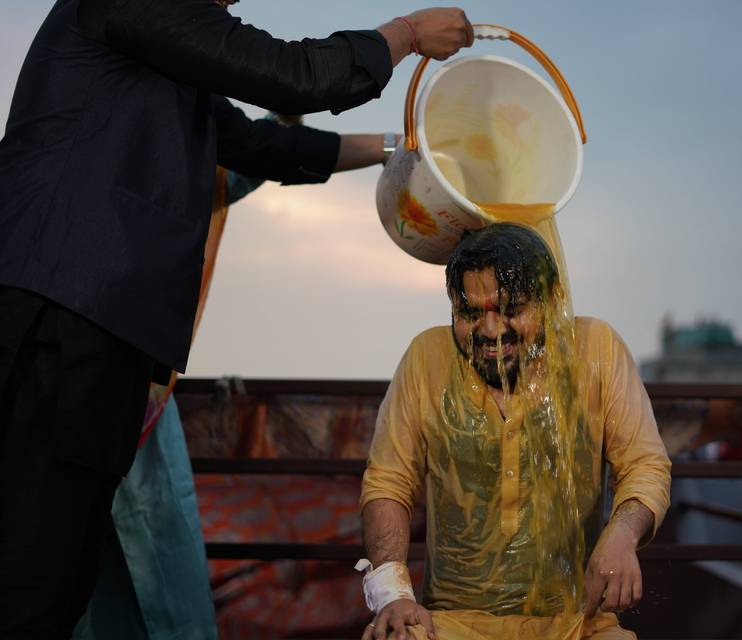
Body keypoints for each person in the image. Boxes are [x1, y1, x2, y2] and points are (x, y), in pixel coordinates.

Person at [0, 1, 473, 636]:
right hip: (56, 319)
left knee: (57, 573)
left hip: (98, 335)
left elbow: (260, 144)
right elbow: (291, 74)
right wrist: (407, 35)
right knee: (31, 576)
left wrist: (402, 148)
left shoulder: (166, 62)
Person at [359, 223, 672, 640]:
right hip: (453, 623)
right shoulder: (426, 357)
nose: (491, 331)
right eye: (471, 313)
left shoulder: (596, 350)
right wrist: (392, 595)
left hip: (576, 623)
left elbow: (645, 464)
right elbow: (389, 481)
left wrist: (622, 534)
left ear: (551, 300)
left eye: (511, 310)